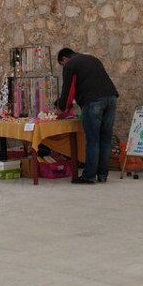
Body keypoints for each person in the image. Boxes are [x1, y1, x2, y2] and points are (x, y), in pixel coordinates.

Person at [56, 47, 119, 184]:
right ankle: (102, 175)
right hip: (111, 98)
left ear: (64, 59)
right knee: (105, 138)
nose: (63, 66)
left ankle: (89, 176)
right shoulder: (92, 59)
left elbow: (67, 90)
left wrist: (61, 107)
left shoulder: (70, 65)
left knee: (93, 140)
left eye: (62, 64)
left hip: (93, 101)